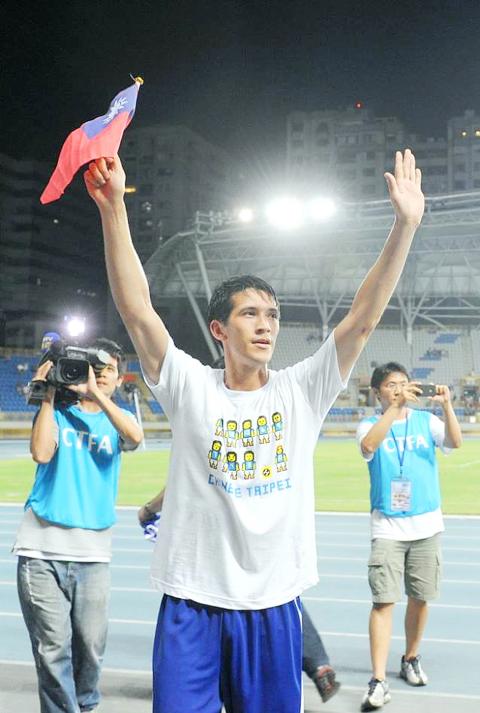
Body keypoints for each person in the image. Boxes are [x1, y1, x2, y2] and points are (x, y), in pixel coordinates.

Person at [84, 149, 424, 713]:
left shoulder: (302, 390)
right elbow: (138, 310)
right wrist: (113, 208)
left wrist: (404, 226)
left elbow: (361, 321)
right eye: (250, 314)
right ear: (218, 329)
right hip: (192, 601)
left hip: (272, 604)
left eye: (272, 315)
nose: (265, 325)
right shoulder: (190, 385)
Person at [13, 338, 144, 713]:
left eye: (108, 371)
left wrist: (95, 394)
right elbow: (41, 453)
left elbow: (135, 437)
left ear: (119, 379)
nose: (100, 375)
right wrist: (48, 395)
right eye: (94, 368)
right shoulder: (57, 412)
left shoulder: (117, 421)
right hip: (40, 551)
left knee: (90, 648)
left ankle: (85, 707)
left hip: (93, 555)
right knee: (52, 650)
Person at [139, 488, 341, 704]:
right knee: (274, 596)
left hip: (214, 561)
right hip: (265, 556)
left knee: (257, 599)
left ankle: (317, 664)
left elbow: (182, 484)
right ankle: (319, 665)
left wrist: (149, 509)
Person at [356, 362, 462, 711]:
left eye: (403, 383)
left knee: (420, 597)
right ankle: (378, 680)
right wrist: (396, 408)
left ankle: (410, 658)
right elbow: (369, 446)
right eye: (391, 385)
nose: (399, 388)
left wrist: (447, 407)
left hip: (426, 526)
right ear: (377, 392)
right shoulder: (369, 424)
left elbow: (455, 442)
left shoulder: (425, 421)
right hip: (387, 526)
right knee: (383, 601)